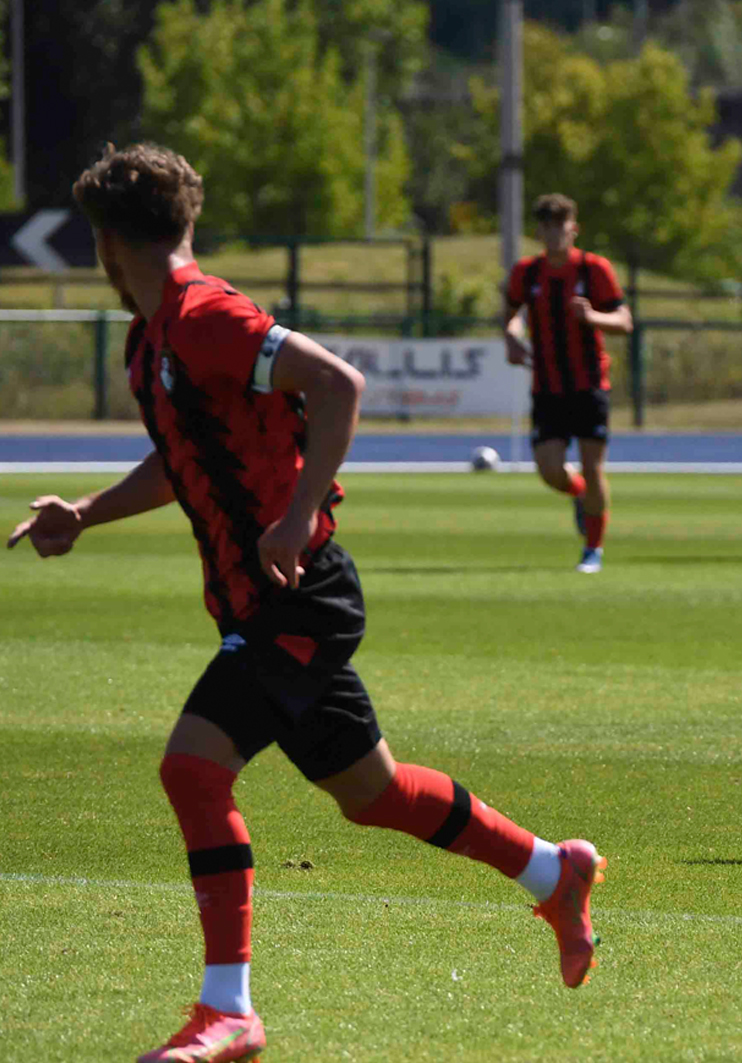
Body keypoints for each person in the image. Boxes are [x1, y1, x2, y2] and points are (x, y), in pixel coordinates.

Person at [8, 144, 605, 1063]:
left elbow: (338, 385)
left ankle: (228, 1009)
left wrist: (292, 519)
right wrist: (88, 514)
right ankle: (550, 871)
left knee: (193, 770)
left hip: (298, 593)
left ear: (108, 243)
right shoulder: (153, 337)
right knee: (374, 794)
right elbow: (188, 456)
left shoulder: (206, 316)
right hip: (260, 601)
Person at [501, 193, 633, 573]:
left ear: (573, 228)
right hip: (547, 386)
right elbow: (512, 314)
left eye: (561, 225)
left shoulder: (594, 270)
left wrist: (593, 317)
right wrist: (511, 337)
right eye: (546, 226)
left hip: (589, 384)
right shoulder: (526, 273)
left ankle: (593, 549)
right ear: (539, 231)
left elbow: (624, 322)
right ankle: (580, 496)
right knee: (550, 470)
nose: (554, 232)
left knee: (593, 467)